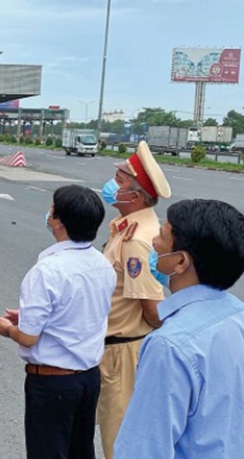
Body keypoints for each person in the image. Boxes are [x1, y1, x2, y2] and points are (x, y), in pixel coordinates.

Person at [115, 199, 244, 458]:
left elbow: (142, 449)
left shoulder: (169, 346)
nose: (153, 243)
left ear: (180, 262)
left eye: (162, 236)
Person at [0, 185, 116, 459]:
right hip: (88, 378)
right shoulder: (102, 264)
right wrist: (29, 319)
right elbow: (80, 313)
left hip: (52, 383)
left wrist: (9, 329)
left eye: (51, 209)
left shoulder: (47, 271)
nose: (48, 214)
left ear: (58, 222)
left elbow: (28, 338)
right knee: (80, 451)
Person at [97, 140, 171, 459]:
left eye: (121, 180)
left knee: (119, 440)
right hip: (114, 348)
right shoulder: (125, 227)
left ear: (136, 195)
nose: (113, 184)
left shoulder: (138, 240)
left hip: (123, 353)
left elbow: (152, 311)